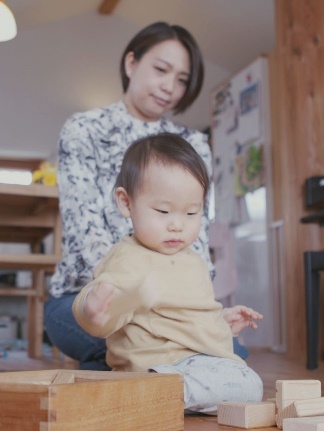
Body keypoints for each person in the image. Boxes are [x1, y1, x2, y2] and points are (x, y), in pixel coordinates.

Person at [45, 21, 249, 370]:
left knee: (233, 352)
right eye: (161, 69)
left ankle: (135, 375)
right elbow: (84, 233)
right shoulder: (84, 129)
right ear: (131, 64)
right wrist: (137, 298)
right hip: (88, 296)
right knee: (124, 337)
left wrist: (197, 309)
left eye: (182, 79)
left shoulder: (194, 143)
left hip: (176, 303)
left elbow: (195, 233)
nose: (170, 87)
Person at [72, 133, 264, 413]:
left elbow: (185, 318)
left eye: (191, 213)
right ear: (126, 203)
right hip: (163, 363)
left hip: (193, 362)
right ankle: (151, 390)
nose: (177, 225)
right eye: (163, 211)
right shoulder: (131, 258)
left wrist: (221, 323)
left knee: (241, 377)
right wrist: (94, 309)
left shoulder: (191, 259)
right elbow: (105, 308)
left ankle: (160, 396)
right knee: (249, 384)